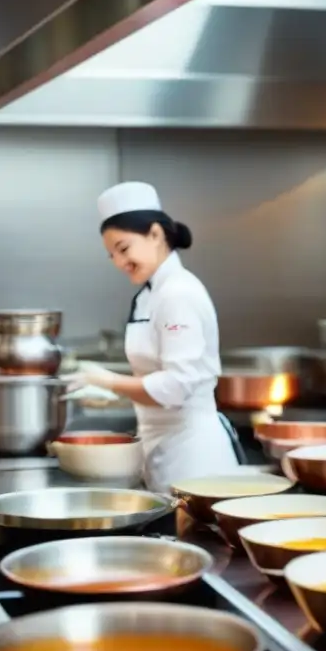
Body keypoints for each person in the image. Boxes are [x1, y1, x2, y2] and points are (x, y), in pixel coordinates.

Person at [63, 181, 240, 492]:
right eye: (111, 256)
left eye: (123, 249)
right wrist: (108, 386)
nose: (119, 263)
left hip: (195, 456)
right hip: (160, 446)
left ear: (155, 234)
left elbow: (177, 386)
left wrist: (110, 382)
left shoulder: (178, 293)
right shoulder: (151, 293)